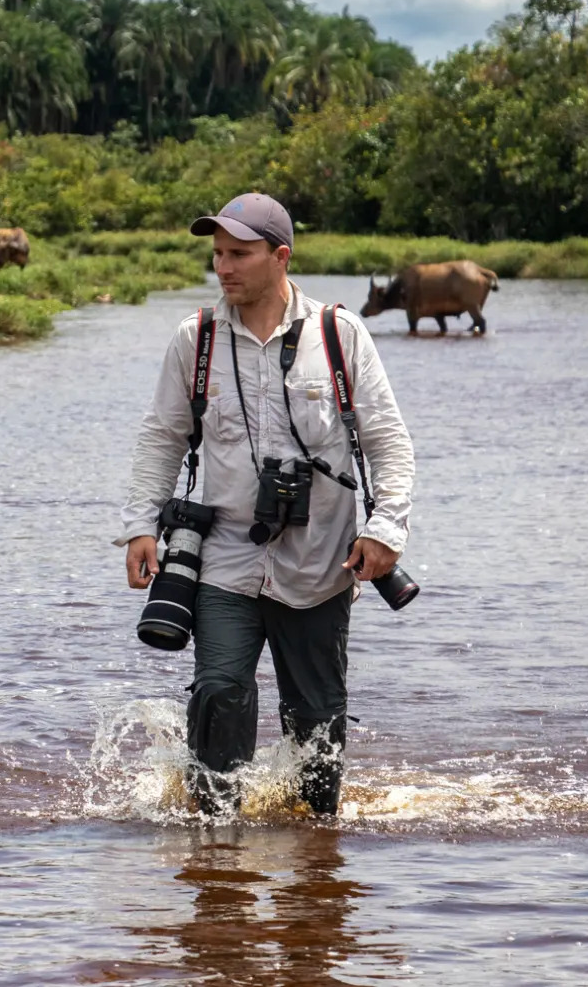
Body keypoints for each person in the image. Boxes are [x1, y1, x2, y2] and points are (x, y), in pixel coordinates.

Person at [119, 193, 415, 816]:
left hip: (320, 564)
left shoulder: (339, 335)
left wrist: (386, 529)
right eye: (218, 254)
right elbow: (162, 436)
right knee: (220, 690)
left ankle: (315, 853)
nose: (224, 268)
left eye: (240, 254)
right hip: (224, 558)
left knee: (315, 722)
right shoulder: (194, 339)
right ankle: (213, 844)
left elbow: (390, 442)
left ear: (280, 257)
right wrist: (140, 524)